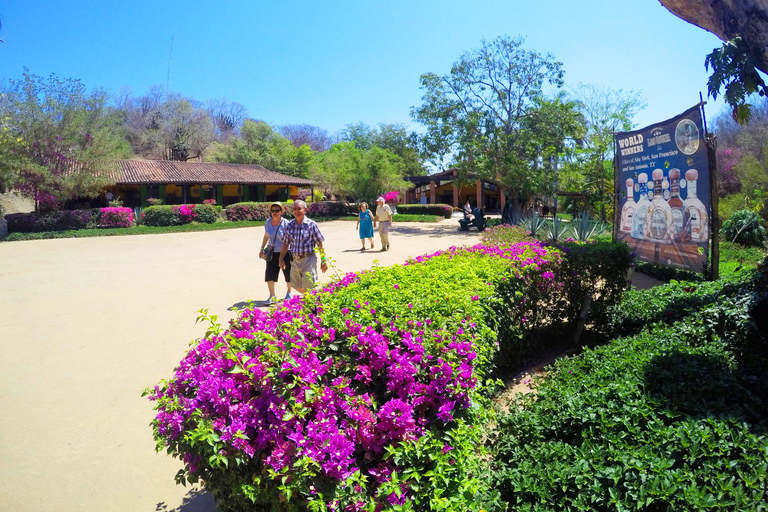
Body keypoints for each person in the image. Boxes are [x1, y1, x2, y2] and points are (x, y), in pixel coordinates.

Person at [279, 200, 328, 294]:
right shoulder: (290, 225)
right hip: (295, 260)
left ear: (305, 210)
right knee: (295, 285)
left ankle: (311, 303)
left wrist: (323, 259)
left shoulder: (311, 224)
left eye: (299, 209)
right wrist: (280, 259)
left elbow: (319, 243)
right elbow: (285, 243)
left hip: (308, 259)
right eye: (294, 209)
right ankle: (311, 297)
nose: (296, 211)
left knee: (309, 285)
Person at [259, 201, 292, 305]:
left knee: (288, 273)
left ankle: (289, 292)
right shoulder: (268, 222)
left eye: (277, 210)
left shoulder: (286, 223)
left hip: (285, 251)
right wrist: (262, 248)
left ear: (281, 211)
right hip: (272, 252)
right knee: (270, 274)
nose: (274, 213)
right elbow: (266, 236)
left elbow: (290, 239)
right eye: (272, 211)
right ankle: (272, 296)